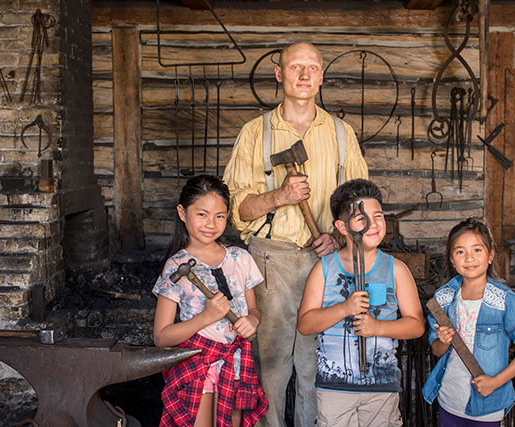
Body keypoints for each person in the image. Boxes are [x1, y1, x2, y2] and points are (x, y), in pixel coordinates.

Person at [223, 41, 368, 426]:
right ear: (279, 74)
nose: (304, 75)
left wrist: (338, 238)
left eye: (312, 68)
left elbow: (360, 205)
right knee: (269, 364)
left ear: (321, 75)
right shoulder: (256, 133)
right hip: (271, 260)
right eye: (295, 67)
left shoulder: (341, 134)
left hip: (326, 261)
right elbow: (237, 211)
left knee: (317, 362)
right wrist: (280, 196)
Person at [297, 179, 424, 427]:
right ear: (342, 228)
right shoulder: (324, 269)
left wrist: (378, 328)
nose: (374, 224)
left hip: (382, 387)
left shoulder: (396, 270)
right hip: (335, 389)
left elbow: (416, 325)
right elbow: (305, 324)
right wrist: (344, 308)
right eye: (362, 218)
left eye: (378, 216)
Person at [152, 175, 268, 427]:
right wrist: (206, 318)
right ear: (182, 213)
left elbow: (254, 310)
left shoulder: (240, 258)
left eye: (220, 216)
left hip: (235, 361)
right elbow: (161, 337)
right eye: (202, 214)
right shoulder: (175, 266)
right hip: (197, 363)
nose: (211, 224)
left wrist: (252, 320)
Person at [422, 217, 515, 426]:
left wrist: (495, 382)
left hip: (487, 403)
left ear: (490, 256)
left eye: (477, 250)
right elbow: (437, 351)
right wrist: (442, 340)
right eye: (460, 251)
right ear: (451, 260)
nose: (469, 258)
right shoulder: (444, 298)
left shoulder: (503, 300)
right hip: (449, 398)